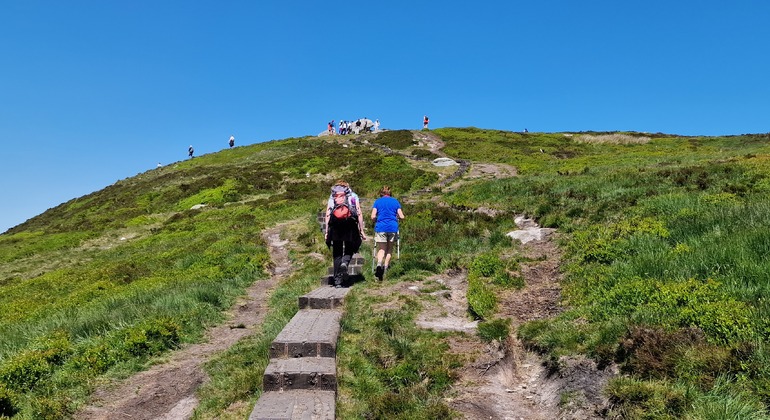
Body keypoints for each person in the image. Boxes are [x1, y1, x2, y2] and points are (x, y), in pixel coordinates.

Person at [325, 180, 366, 287]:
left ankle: (337, 280)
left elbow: (328, 214)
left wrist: (326, 231)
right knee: (350, 247)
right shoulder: (353, 195)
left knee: (337, 252)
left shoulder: (333, 196)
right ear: (347, 187)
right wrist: (361, 230)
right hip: (350, 224)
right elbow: (359, 212)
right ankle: (345, 262)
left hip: (335, 225)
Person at [371, 185, 405, 281]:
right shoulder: (395, 201)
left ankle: (379, 265)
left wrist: (376, 220)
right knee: (389, 249)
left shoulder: (377, 202)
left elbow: (372, 216)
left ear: (381, 193)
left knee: (382, 249)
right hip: (392, 227)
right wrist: (396, 217)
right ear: (390, 193)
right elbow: (402, 216)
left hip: (381, 227)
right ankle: (385, 269)